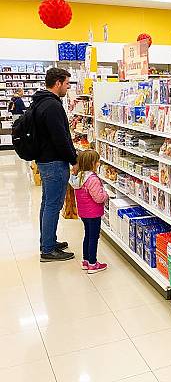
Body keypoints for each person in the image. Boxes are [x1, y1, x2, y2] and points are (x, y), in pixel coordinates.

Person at [34, 67, 77, 262]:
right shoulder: (52, 106)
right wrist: (74, 159)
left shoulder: (41, 101)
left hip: (44, 160)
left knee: (47, 203)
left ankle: (48, 241)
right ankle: (48, 249)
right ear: (58, 83)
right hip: (53, 162)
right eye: (67, 83)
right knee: (53, 205)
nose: (68, 87)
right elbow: (61, 139)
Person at [69, 149, 108, 274]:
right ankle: (93, 263)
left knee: (87, 235)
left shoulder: (79, 177)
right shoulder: (92, 179)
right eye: (97, 161)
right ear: (92, 163)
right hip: (94, 213)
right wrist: (106, 194)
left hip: (84, 213)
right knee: (94, 237)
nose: (98, 164)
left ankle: (85, 261)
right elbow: (99, 198)